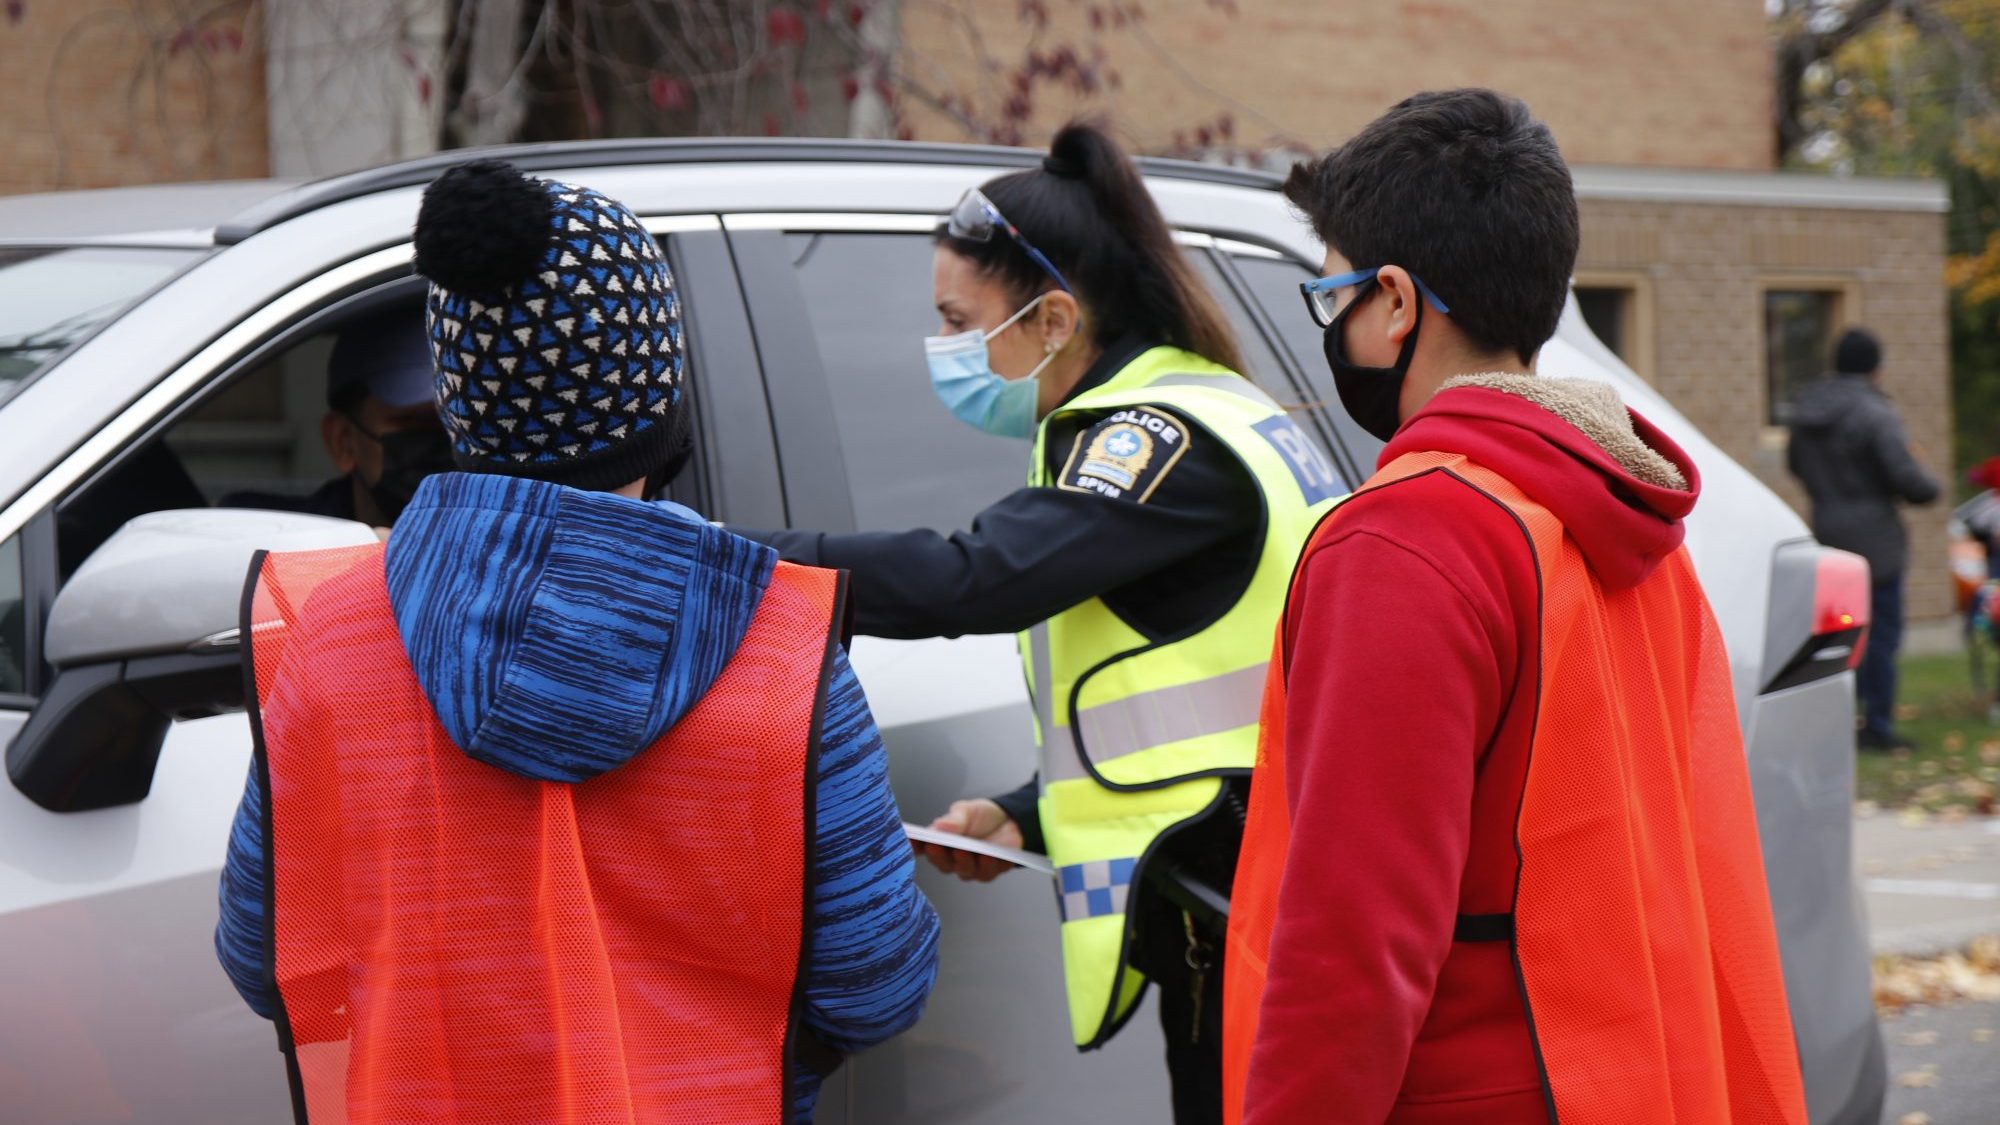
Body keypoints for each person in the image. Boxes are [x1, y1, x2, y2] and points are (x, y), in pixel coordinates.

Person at [214, 159, 939, 1124]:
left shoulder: (331, 637)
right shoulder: (783, 652)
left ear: (463, 398)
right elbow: (876, 984)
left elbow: (266, 958)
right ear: (658, 395)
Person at [1221, 90, 1809, 1125]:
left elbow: (1354, 948)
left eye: (1333, 302)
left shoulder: (1402, 541)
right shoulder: (1622, 518)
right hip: (1629, 1076)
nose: (1332, 329)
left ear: (1394, 302)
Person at [739, 121, 1338, 1123]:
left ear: (1053, 318)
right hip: (1250, 885)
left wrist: (731, 559)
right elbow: (1187, 682)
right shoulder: (1191, 408)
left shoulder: (1156, 438)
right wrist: (1028, 808)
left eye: (955, 319)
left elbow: (975, 579)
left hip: (1255, 903)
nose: (942, 349)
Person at [1788, 327, 1942, 752]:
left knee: (1836, 635)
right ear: (1876, 368)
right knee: (1881, 635)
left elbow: (1795, 464)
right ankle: (1877, 725)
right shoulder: (1875, 414)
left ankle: (1835, 723)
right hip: (1877, 541)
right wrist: (1929, 486)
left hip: (1829, 533)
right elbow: (1907, 478)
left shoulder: (1807, 410)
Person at [224, 308, 455, 526]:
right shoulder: (278, 548)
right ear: (342, 442)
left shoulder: (489, 550)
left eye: (456, 425)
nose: (444, 442)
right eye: (413, 422)